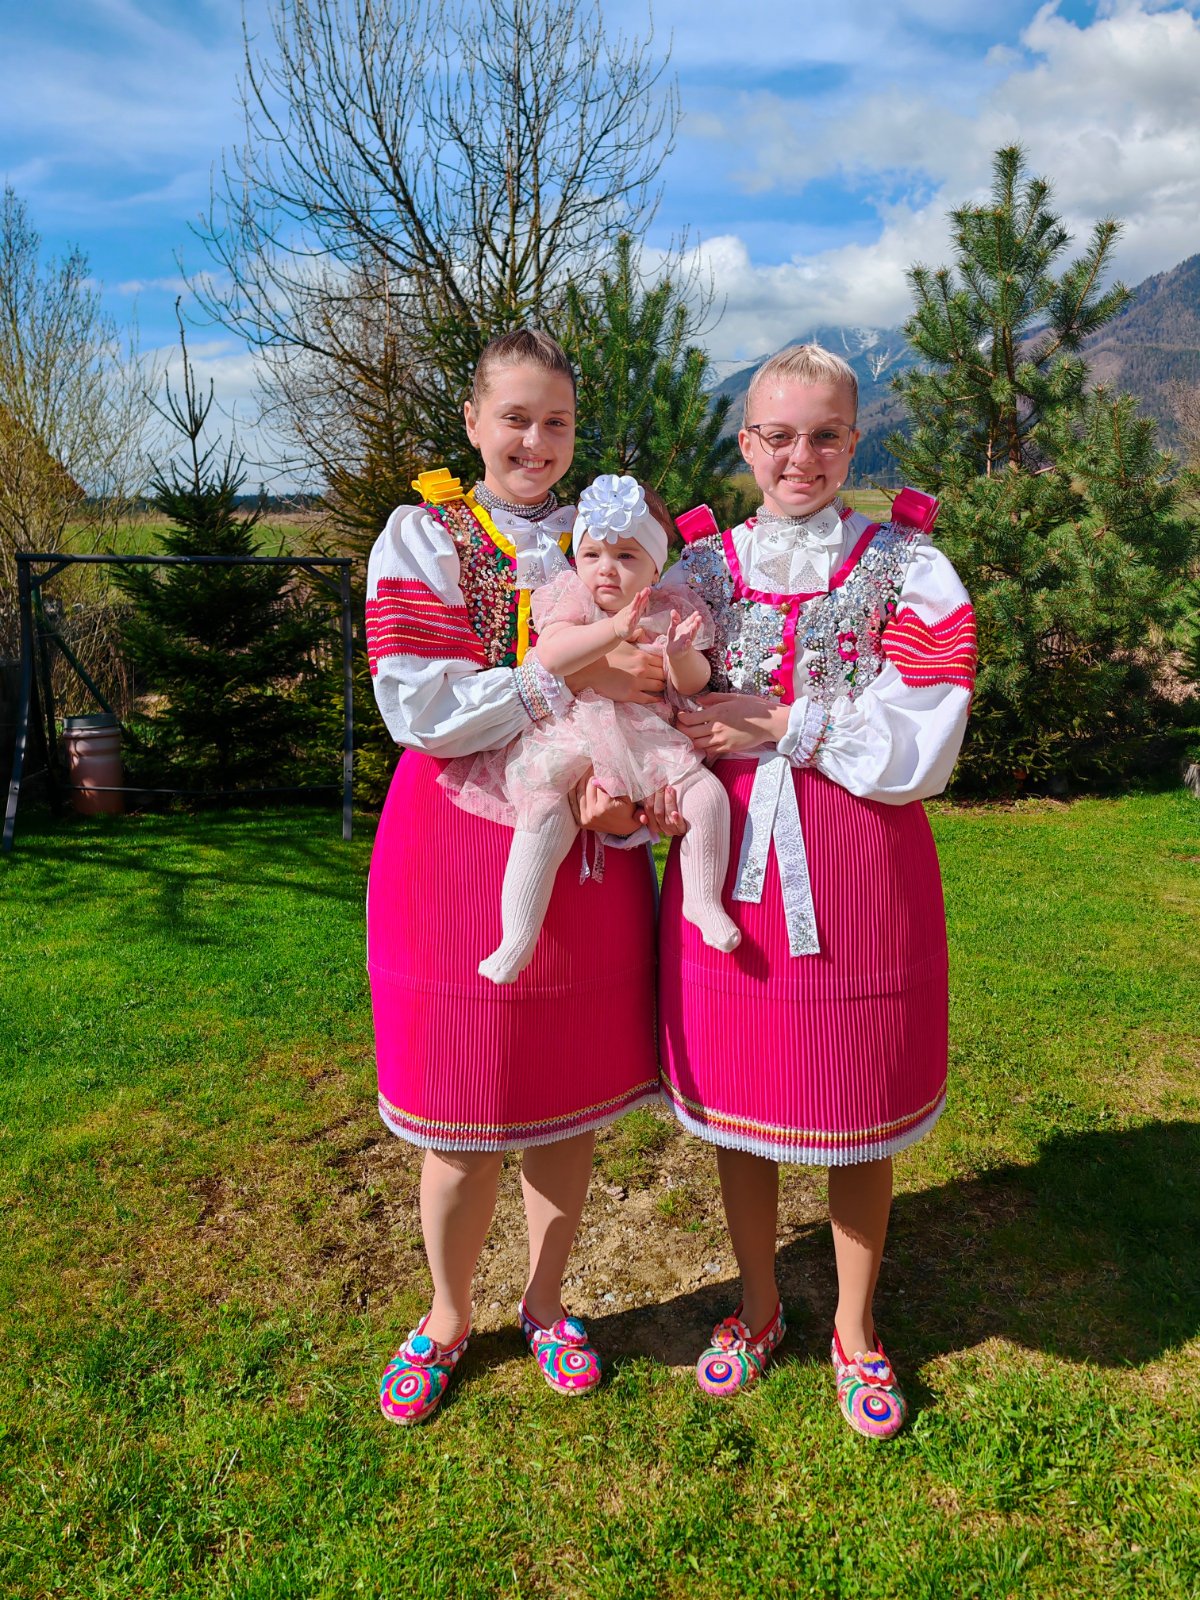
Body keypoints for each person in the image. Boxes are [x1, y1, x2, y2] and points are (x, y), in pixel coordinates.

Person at [658, 343, 976, 1438]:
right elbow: (652, 698)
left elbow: (924, 734)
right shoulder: (700, 568)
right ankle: (757, 1305)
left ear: (855, 441)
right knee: (743, 1103)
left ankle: (853, 1324)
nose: (802, 457)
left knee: (857, 1104)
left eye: (826, 435)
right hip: (729, 860)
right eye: (779, 435)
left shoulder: (908, 565)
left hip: (860, 859)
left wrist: (785, 720)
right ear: (748, 442)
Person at [364, 331, 676, 1426]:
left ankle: (545, 1302)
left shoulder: (608, 539)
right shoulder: (426, 534)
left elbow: (661, 681)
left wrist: (629, 771)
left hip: (586, 850)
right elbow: (421, 709)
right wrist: (562, 676)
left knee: (562, 1101)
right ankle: (449, 1313)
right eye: (515, 418)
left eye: (557, 422)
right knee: (459, 1109)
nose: (536, 441)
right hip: (454, 841)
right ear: (472, 422)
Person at [439, 473, 739, 983]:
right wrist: (613, 630)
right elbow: (552, 654)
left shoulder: (669, 609)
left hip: (648, 741)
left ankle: (703, 900)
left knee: (707, 797)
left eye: (626, 557)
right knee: (545, 815)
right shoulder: (572, 598)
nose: (606, 569)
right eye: (592, 554)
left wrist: (680, 654)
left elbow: (691, 682)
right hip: (574, 736)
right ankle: (517, 936)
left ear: (656, 566)